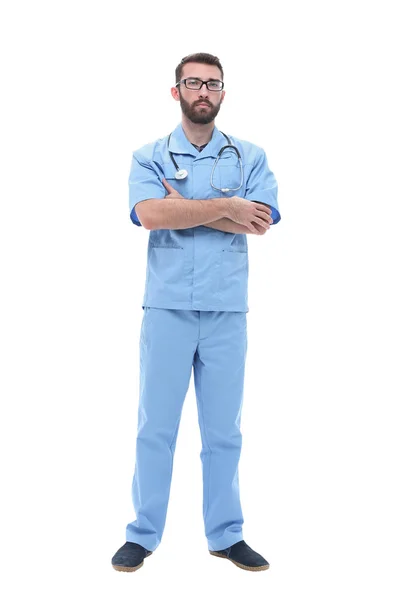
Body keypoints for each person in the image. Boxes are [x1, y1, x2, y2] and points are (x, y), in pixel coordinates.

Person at [111, 52, 281, 573]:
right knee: (155, 427)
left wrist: (185, 208)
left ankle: (226, 535)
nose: (202, 90)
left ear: (223, 93)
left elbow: (261, 221)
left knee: (223, 430)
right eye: (192, 82)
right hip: (166, 310)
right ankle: (143, 534)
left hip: (227, 310)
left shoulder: (249, 156)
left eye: (212, 83)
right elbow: (149, 213)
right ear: (176, 91)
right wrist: (226, 204)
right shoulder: (149, 156)